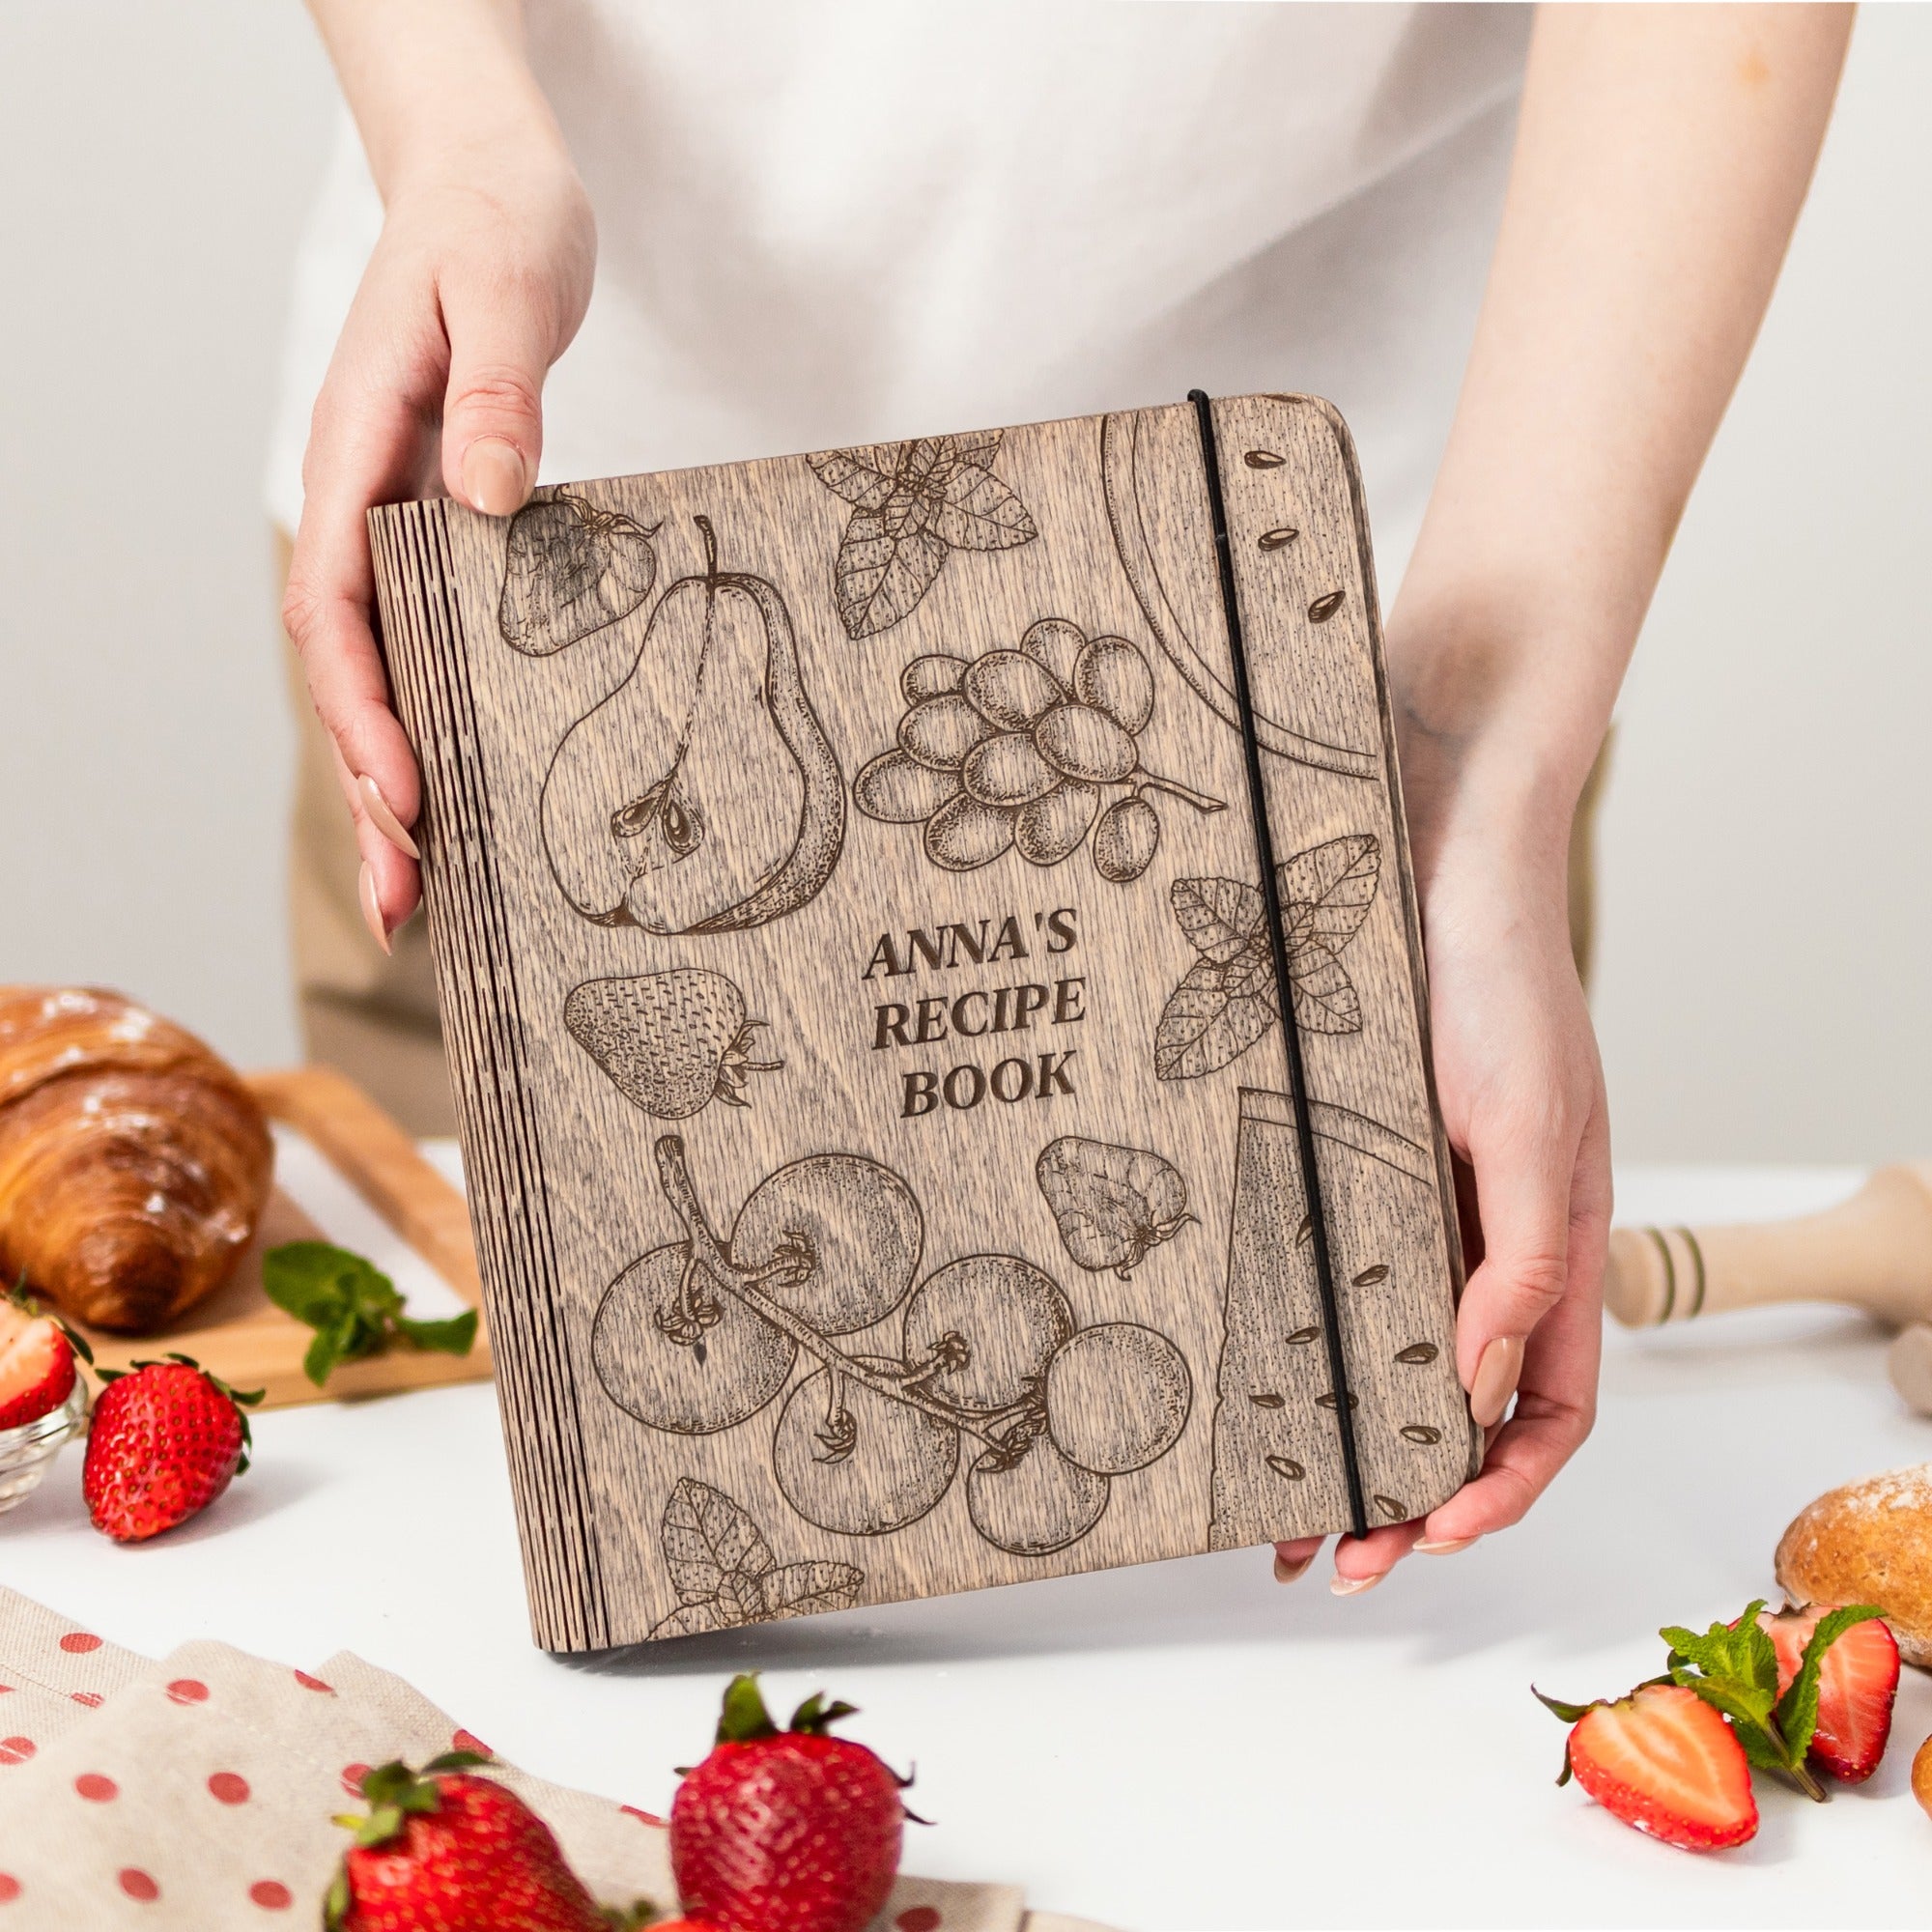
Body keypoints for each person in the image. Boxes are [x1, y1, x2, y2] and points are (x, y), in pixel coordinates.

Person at [273, 0, 1853, 1593]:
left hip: (1325, 661)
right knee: (423, 1526)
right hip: (534, 568)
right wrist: (455, 136)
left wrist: (1471, 766)